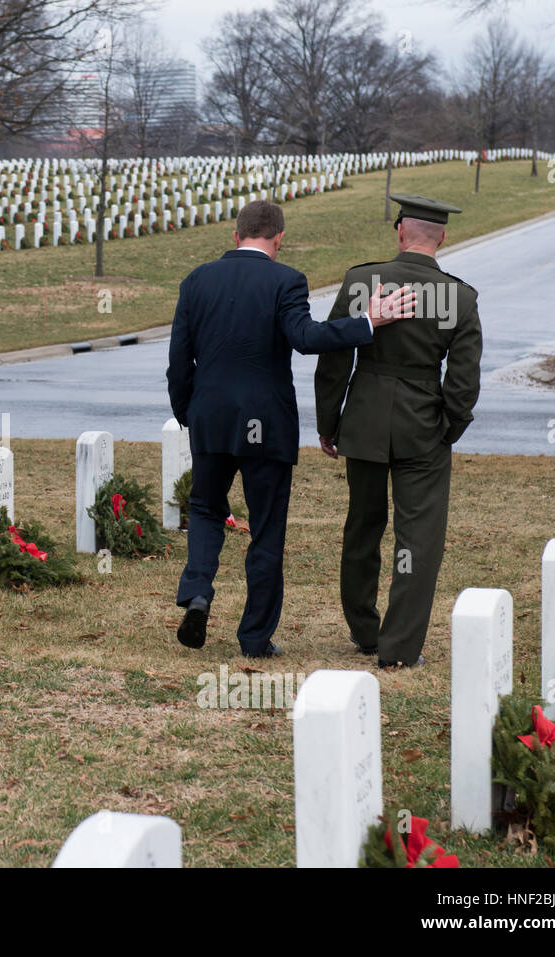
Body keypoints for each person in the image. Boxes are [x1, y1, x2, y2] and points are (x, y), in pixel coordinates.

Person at [168, 199, 415, 658]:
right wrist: (369, 321)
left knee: (204, 508)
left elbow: (179, 360)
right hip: (267, 425)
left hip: (211, 419)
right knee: (266, 529)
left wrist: (189, 413)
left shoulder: (197, 280)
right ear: (279, 238)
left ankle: (198, 592)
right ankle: (255, 638)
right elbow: (306, 339)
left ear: (235, 235)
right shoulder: (286, 280)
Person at [314, 193, 482, 669]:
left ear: (401, 231)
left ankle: (365, 631)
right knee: (418, 539)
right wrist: (448, 427)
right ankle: (400, 646)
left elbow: (334, 359)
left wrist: (330, 422)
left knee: (363, 527)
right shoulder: (459, 297)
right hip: (422, 427)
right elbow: (464, 380)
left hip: (364, 421)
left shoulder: (362, 280)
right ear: (442, 237)